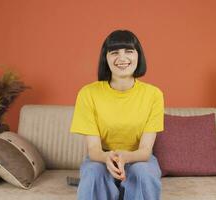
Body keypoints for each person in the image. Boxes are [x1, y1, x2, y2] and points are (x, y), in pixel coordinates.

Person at [70, 29, 164, 200]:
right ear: (105, 58)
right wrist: (108, 158)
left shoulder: (154, 94)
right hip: (102, 158)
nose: (122, 58)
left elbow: (145, 151)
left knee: (143, 173)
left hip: (138, 158)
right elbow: (94, 150)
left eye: (129, 51)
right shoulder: (88, 93)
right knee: (92, 172)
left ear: (138, 56)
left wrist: (125, 157)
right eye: (114, 53)